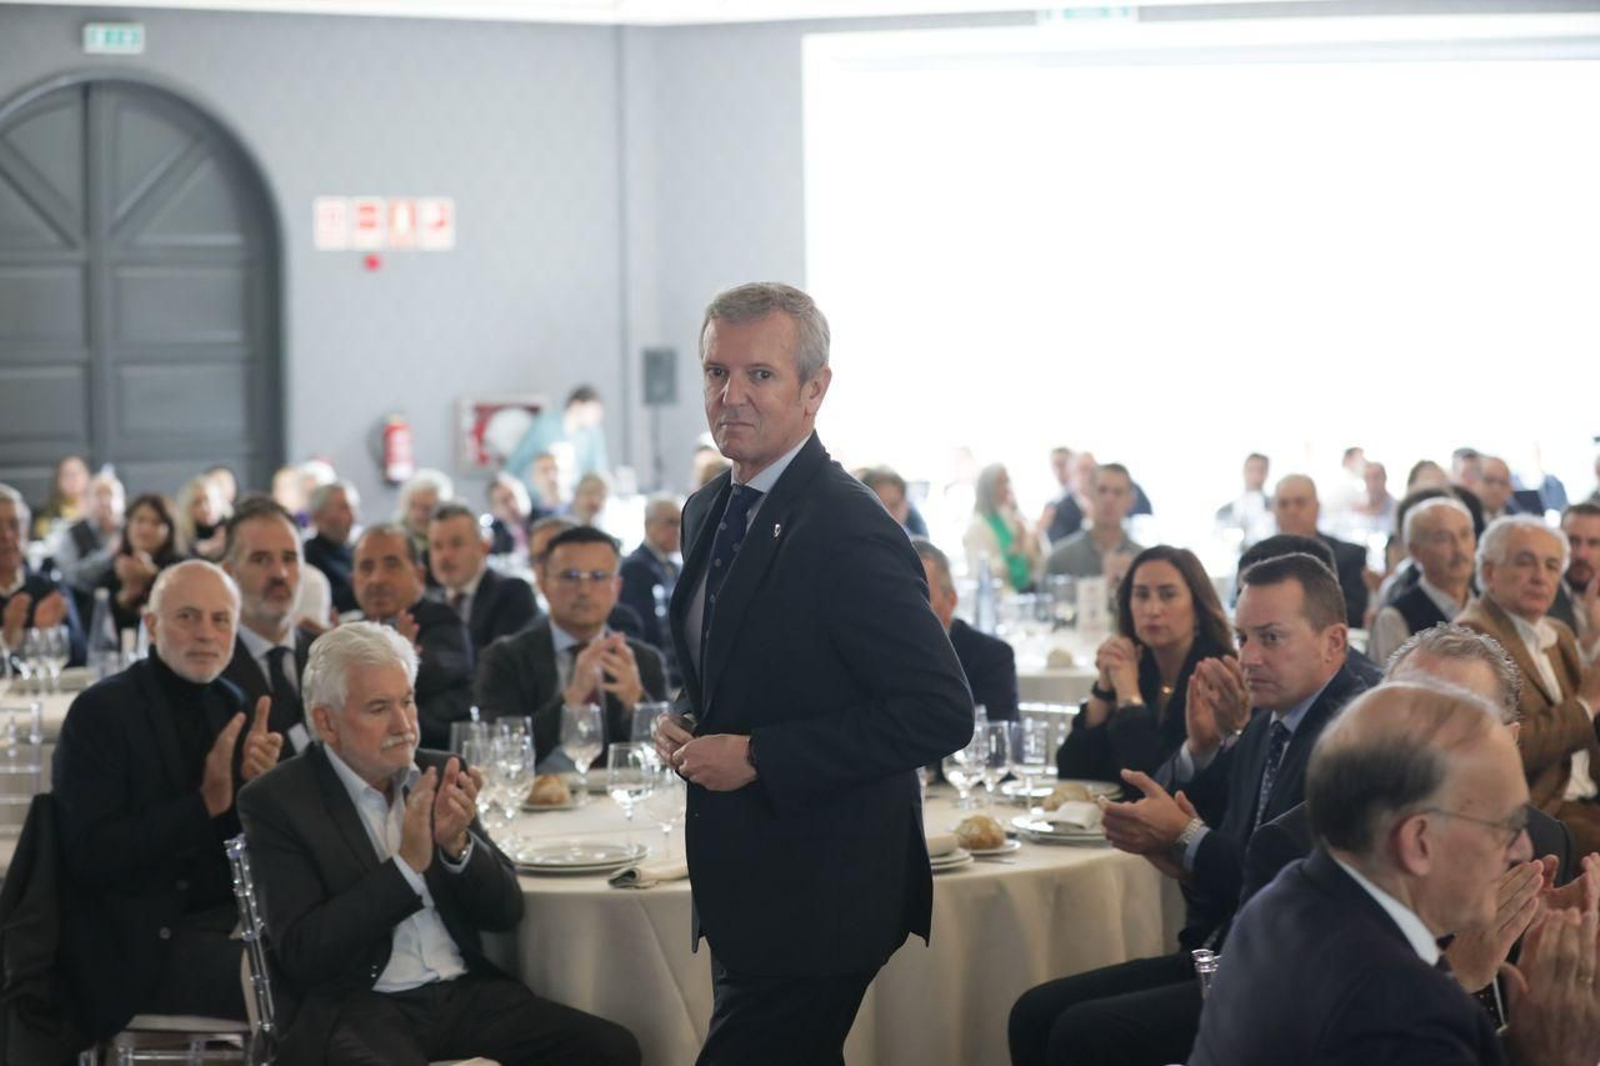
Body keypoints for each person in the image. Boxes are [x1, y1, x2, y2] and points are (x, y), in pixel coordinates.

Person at [652, 282, 973, 1066]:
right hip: (742, 883)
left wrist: (758, 754)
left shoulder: (847, 525)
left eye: (759, 375)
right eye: (715, 373)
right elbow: (745, 667)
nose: (731, 396)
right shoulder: (707, 509)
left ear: (814, 389)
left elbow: (939, 712)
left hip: (824, 890)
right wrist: (694, 727)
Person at [1009, 553, 1370, 1066]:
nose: (1249, 658)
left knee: (1082, 1034)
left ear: (1334, 642)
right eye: (1244, 638)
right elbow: (1226, 843)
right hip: (1229, 945)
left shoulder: (1351, 737)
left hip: (1292, 978)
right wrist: (1181, 851)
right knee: (1034, 1012)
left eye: (1271, 638)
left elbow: (1287, 889)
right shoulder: (1271, 719)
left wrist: (1185, 837)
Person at [236, 622, 640, 1066]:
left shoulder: (441, 771)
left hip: (462, 994)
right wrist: (406, 868)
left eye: (406, 701)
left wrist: (458, 847)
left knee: (611, 1050)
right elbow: (303, 956)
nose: (404, 725)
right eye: (378, 708)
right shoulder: (278, 800)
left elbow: (506, 913)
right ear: (326, 723)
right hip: (357, 1006)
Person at [1196, 682, 1600, 1066]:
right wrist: (1556, 1054)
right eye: (1505, 826)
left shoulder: (1289, 897)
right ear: (1419, 840)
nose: (1524, 849)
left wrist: (1520, 1042)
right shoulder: (1402, 1006)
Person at [54, 560, 281, 1039]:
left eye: (220, 620)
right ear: (152, 625)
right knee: (288, 985)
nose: (205, 633)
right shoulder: (101, 713)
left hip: (219, 924)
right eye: (187, 617)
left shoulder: (233, 702)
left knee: (323, 960)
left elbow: (231, 852)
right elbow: (90, 858)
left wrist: (256, 792)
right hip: (132, 947)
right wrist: (205, 803)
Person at [1458, 515, 1600, 855]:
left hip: (1587, 795)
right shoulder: (1473, 639)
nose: (1540, 577)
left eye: (1552, 566)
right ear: (1489, 573)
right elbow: (1499, 750)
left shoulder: (1557, 632)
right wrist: (1585, 705)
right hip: (1538, 810)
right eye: (1525, 563)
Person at [476, 525, 666, 765]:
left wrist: (637, 702)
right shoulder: (505, 659)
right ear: (543, 583)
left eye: (598, 577)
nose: (584, 590)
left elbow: (661, 760)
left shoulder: (643, 660)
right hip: (538, 797)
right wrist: (572, 698)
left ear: (616, 588)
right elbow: (499, 754)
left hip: (619, 797)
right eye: (570, 576)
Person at [1056, 545, 1236, 796]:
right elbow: (1071, 774)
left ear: (1197, 607)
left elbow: (1149, 783)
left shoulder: (1217, 675)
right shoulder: (1135, 664)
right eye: (1141, 595)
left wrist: (1129, 697)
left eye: (1168, 595)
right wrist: (1104, 690)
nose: (1152, 609)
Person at [352, 524, 474, 749]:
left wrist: (399, 660)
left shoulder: (442, 621)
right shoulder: (350, 633)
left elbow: (438, 678)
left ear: (419, 574)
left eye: (391, 565)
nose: (377, 579)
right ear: (352, 579)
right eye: (366, 567)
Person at [220, 499, 317, 757]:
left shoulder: (326, 653)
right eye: (261, 559)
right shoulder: (212, 668)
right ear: (229, 572)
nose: (280, 574)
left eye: (290, 558)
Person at [914, 537, 1018, 721]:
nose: (909, 609)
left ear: (951, 601)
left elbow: (999, 739)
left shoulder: (990, 658)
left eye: (921, 597)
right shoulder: (873, 655)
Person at [1368, 496, 1476, 664]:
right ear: (1415, 551)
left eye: (1465, 535)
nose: (1459, 548)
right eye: (1443, 538)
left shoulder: (1486, 607)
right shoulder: (1396, 618)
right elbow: (1395, 686)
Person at [427, 501, 537, 652]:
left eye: (456, 544)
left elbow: (503, 665)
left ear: (483, 547)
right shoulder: (430, 606)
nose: (445, 556)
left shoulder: (512, 594)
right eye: (437, 546)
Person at [1265, 473, 1370, 628]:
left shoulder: (1349, 556)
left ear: (1317, 507)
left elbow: (1352, 613)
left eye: (1300, 503)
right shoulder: (1257, 557)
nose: (1292, 511)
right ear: (1273, 510)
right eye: (1283, 504)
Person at [0, 484, 85, 664]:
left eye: (14, 525)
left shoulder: (49, 588)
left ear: (26, 532)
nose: (6, 536)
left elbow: (81, 656)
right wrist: (5, 640)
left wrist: (47, 635)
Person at [506, 386, 612, 505]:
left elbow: (598, 469)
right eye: (593, 411)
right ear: (576, 405)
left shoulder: (593, 433)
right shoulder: (545, 425)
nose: (597, 417)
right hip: (536, 497)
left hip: (571, 499)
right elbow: (519, 456)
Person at [97, 492, 183, 632]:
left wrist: (154, 577)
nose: (145, 529)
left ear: (170, 530)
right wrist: (126, 596)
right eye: (139, 520)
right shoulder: (113, 570)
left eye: (156, 523)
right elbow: (99, 629)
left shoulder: (182, 569)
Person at [1043, 462, 1143, 581]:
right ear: (1089, 494)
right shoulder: (1060, 559)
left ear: (1130, 501)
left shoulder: (1143, 561)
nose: (1109, 499)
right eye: (1102, 490)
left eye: (1118, 492)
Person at [619, 495, 682, 656]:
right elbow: (641, 628)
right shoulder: (634, 567)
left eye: (681, 523)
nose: (678, 531)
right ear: (649, 525)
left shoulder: (674, 567)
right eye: (671, 523)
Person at [964, 463, 1042, 593]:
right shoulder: (976, 527)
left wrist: (1034, 538)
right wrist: (1011, 552)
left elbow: (1032, 560)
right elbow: (980, 573)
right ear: (988, 487)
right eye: (1000, 482)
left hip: (1027, 589)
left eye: (1007, 481)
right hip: (1002, 597)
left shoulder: (1012, 518)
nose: (1007, 487)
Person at [1549, 502, 1600, 657]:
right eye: (1572, 541)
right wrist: (1593, 635)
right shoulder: (1542, 597)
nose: (1581, 554)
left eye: (1593, 543)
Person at [304, 480, 361, 615]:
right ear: (318, 515)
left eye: (353, 508)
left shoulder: (355, 552)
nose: (353, 517)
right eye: (344, 508)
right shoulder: (307, 557)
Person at [394, 468, 454, 562]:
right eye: (413, 506)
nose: (418, 515)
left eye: (427, 509)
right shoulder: (394, 533)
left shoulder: (452, 535)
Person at [1214, 452, 1273, 545]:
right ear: (1244, 471)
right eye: (1251, 470)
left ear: (1266, 473)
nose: (1255, 475)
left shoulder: (1276, 508)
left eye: (1260, 470)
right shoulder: (1225, 511)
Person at [860, 466, 929, 537]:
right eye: (879, 507)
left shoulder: (919, 545)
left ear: (906, 505)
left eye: (894, 505)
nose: (888, 514)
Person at [31, 454, 89, 538]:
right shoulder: (45, 516)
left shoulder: (96, 513)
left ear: (87, 476)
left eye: (77, 473)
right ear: (57, 480)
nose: (73, 479)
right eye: (66, 474)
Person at [175, 474, 230, 561]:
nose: (205, 508)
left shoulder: (232, 528)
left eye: (208, 500)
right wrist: (198, 550)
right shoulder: (182, 535)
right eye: (197, 503)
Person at [486, 472, 531, 556]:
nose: (512, 505)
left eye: (514, 496)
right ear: (494, 509)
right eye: (504, 501)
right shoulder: (493, 536)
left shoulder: (546, 522)